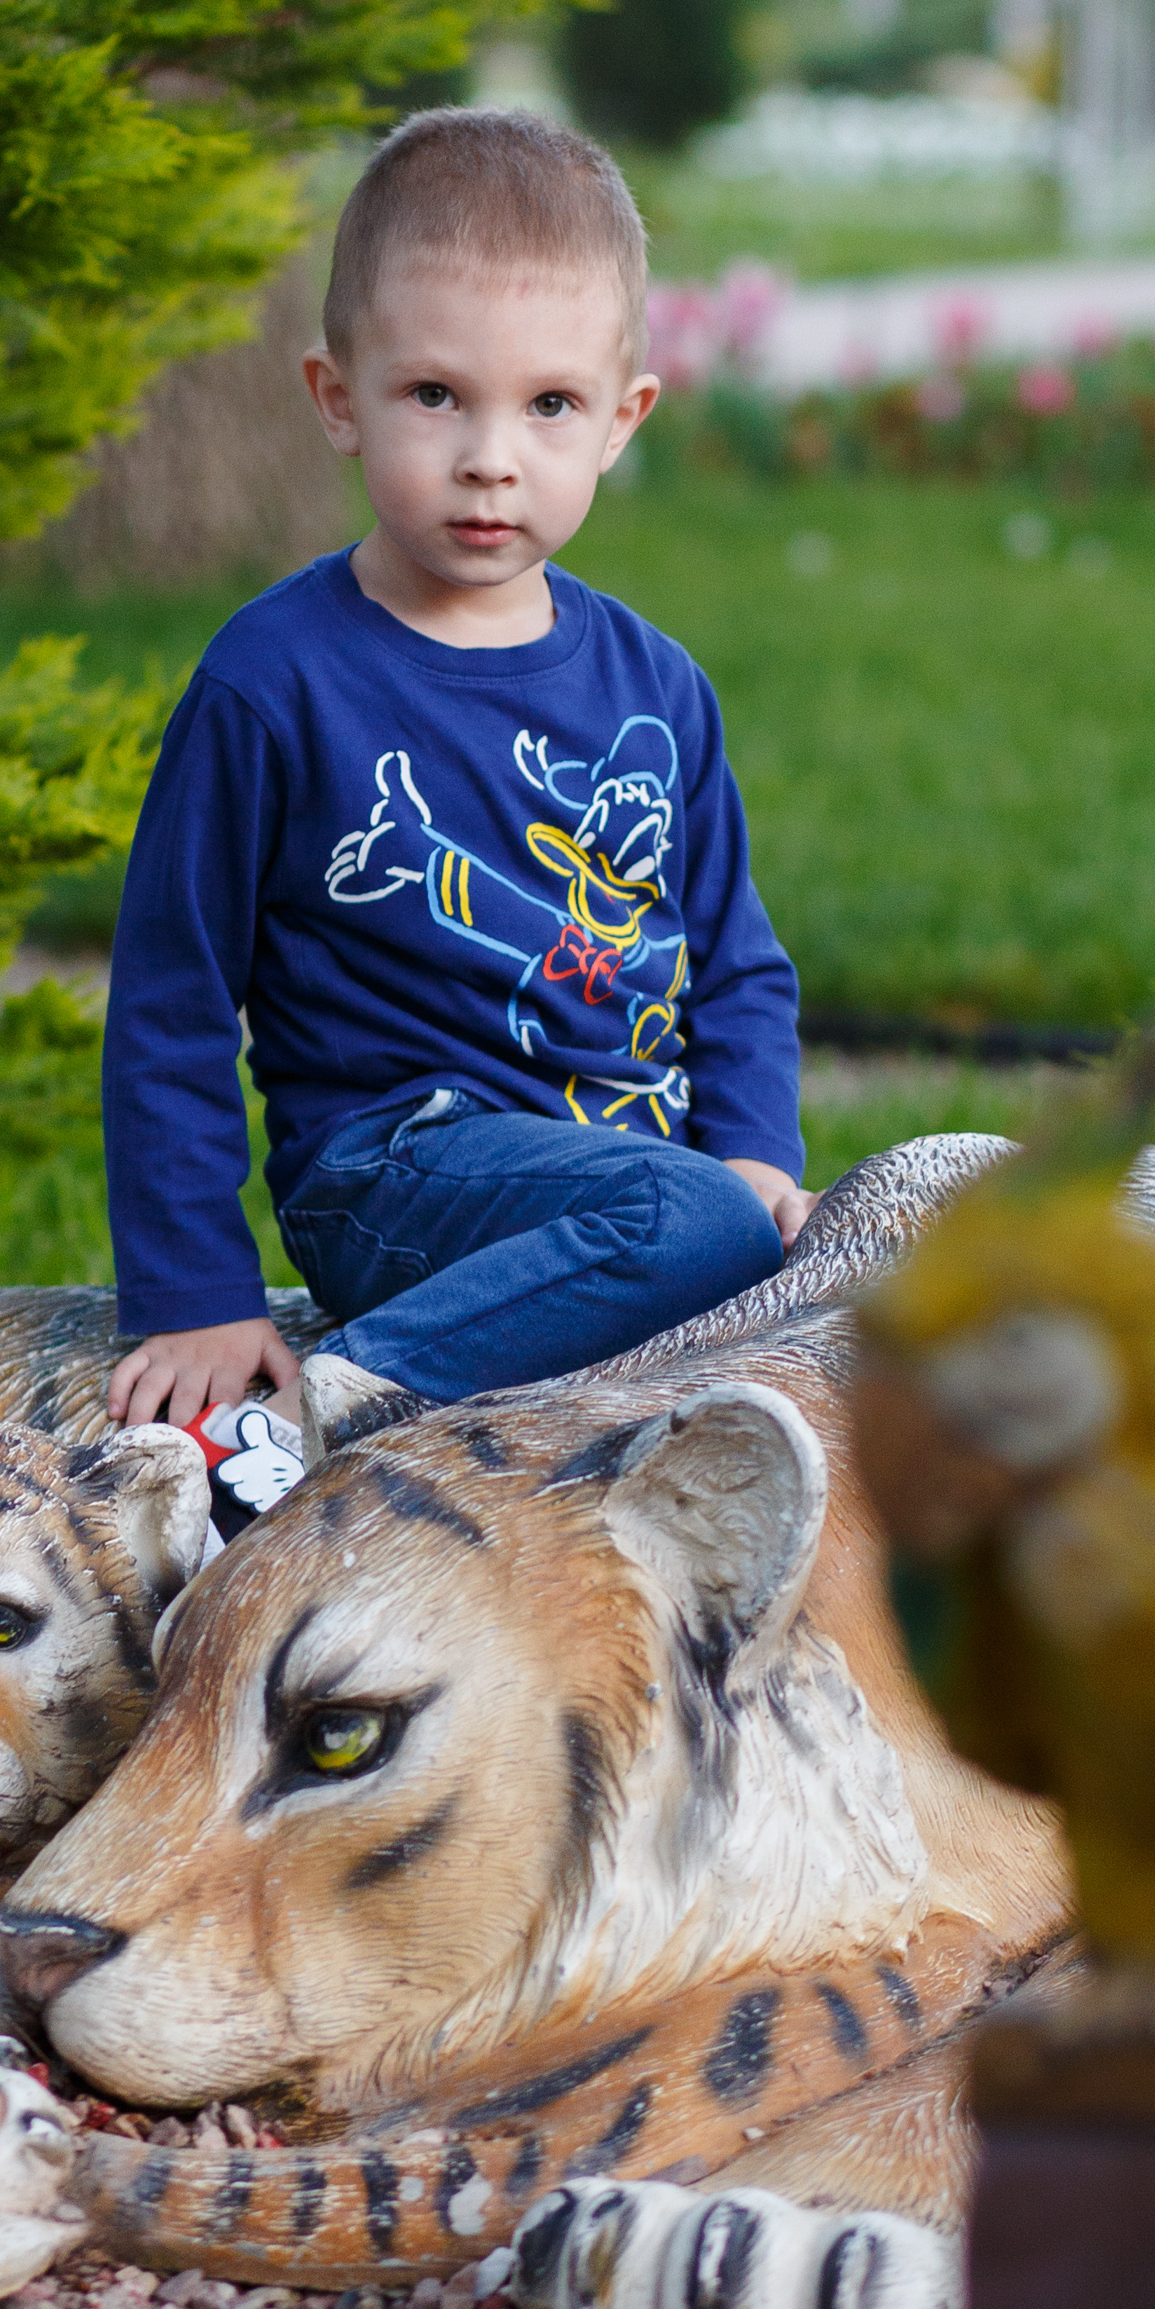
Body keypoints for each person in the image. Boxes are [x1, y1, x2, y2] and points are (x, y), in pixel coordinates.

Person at [101, 105, 811, 1482]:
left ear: (621, 421)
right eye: (436, 396)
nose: (492, 455)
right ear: (338, 399)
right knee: (699, 1228)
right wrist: (195, 1288)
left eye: (549, 406)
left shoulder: (657, 688)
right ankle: (315, 1423)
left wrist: (754, 1153)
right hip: (391, 1174)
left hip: (626, 1173)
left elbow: (734, 962)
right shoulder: (275, 681)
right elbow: (172, 998)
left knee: (828, 1225)